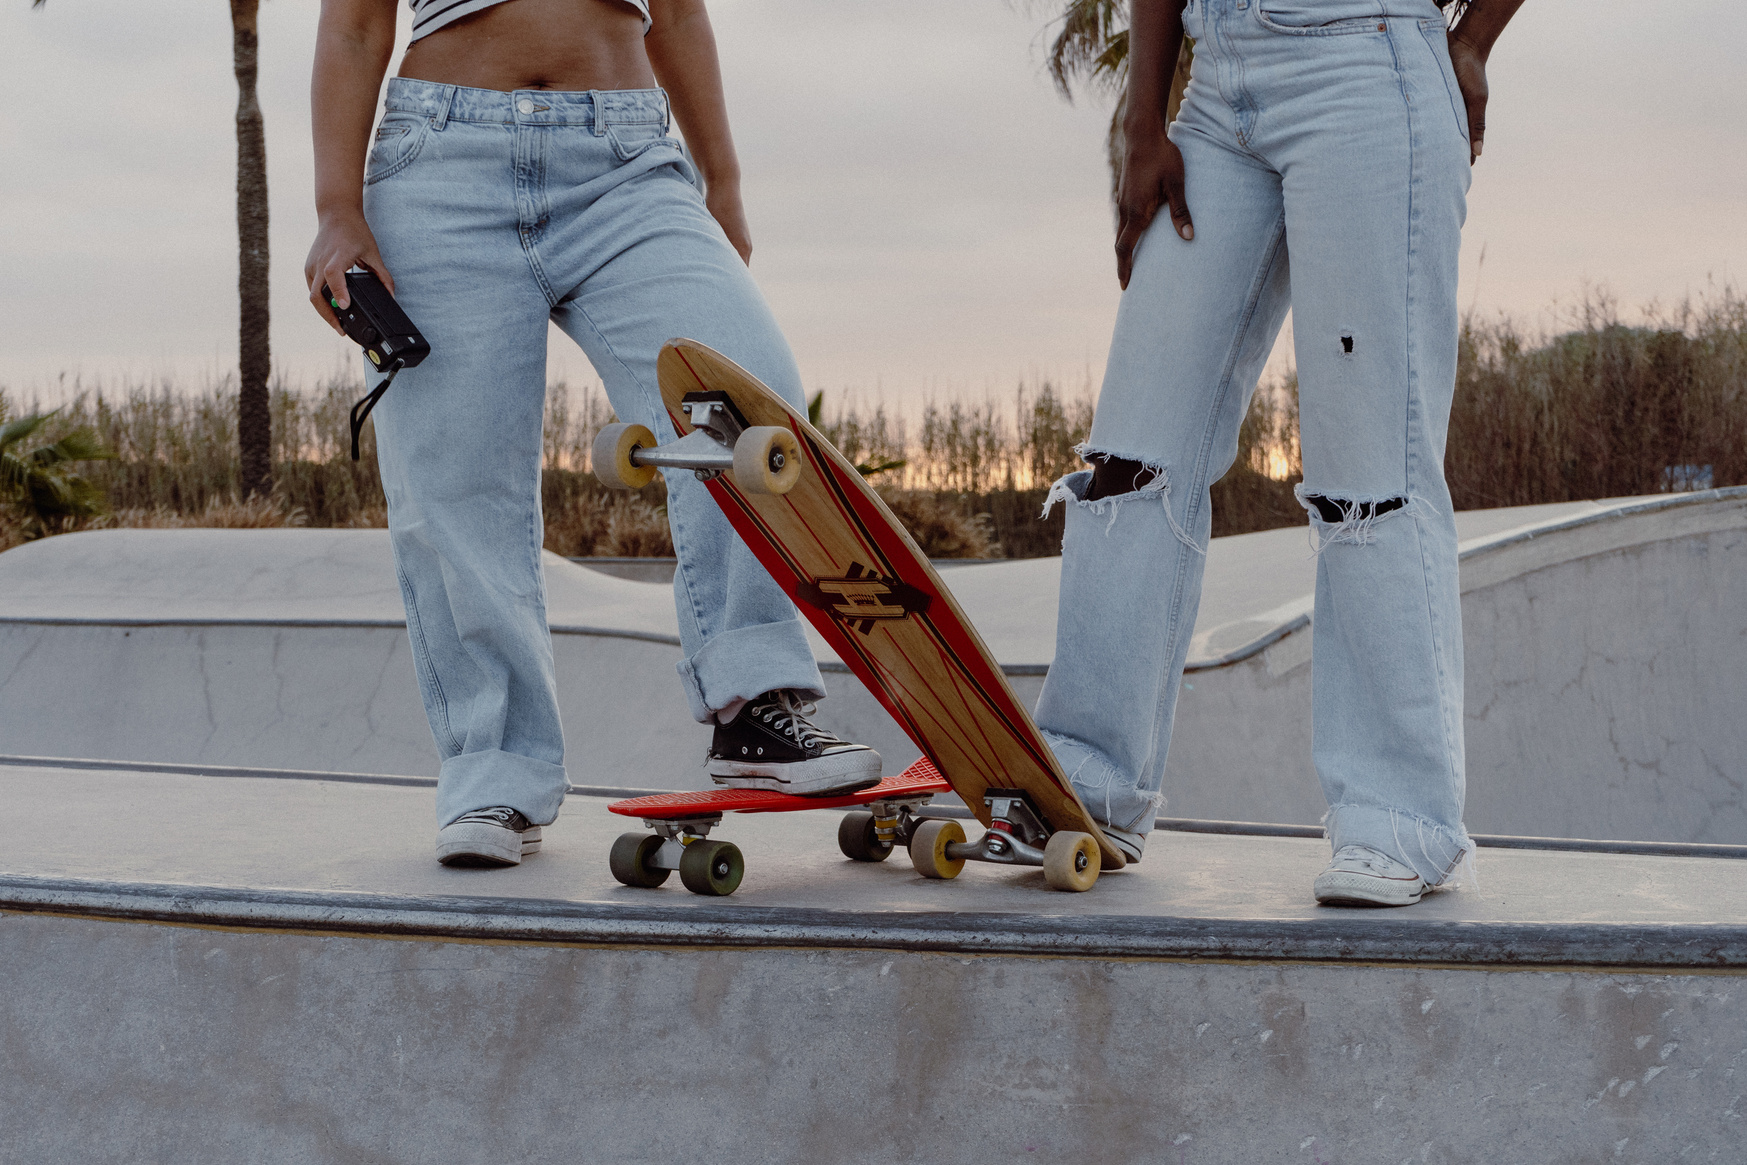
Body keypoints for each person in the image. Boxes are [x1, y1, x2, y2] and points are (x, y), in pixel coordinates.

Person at [305, 0, 879, 868]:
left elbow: (678, 14)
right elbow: (353, 27)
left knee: (746, 405)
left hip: (626, 160)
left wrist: (722, 183)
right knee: (455, 485)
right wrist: (336, 206)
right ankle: (496, 768)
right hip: (439, 161)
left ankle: (754, 705)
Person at [1036, 0, 1525, 904]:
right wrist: (1145, 119)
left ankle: (1398, 816)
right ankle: (1087, 775)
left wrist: (1471, 43)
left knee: (1368, 469)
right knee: (1130, 457)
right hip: (1217, 90)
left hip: (1366, 67)